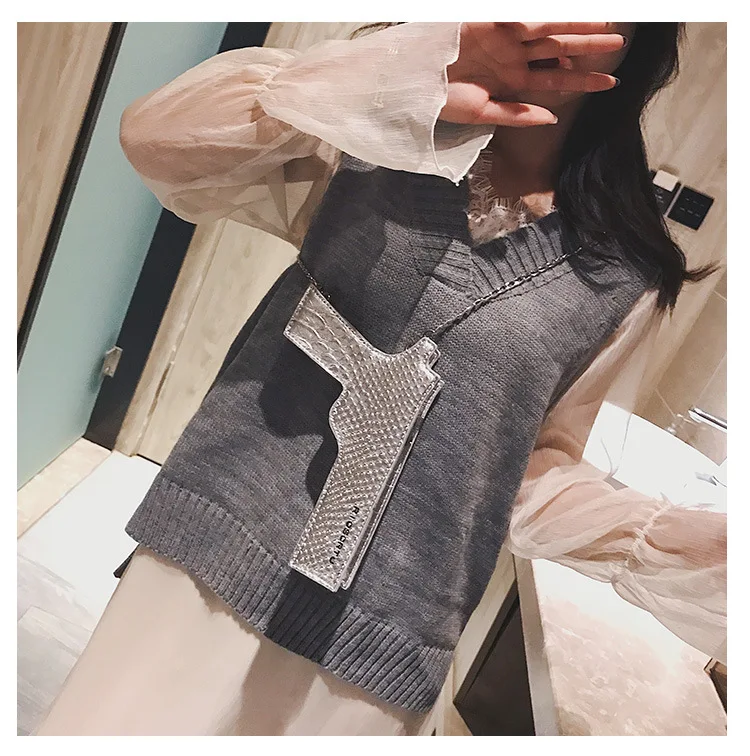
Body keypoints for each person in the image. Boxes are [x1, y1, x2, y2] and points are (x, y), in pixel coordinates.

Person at [36, 21, 726, 736]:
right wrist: (407, 72)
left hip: (377, 645)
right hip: (208, 552)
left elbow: (527, 469)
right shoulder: (371, 122)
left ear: (638, 38)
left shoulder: (623, 275)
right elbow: (157, 140)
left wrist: (682, 543)